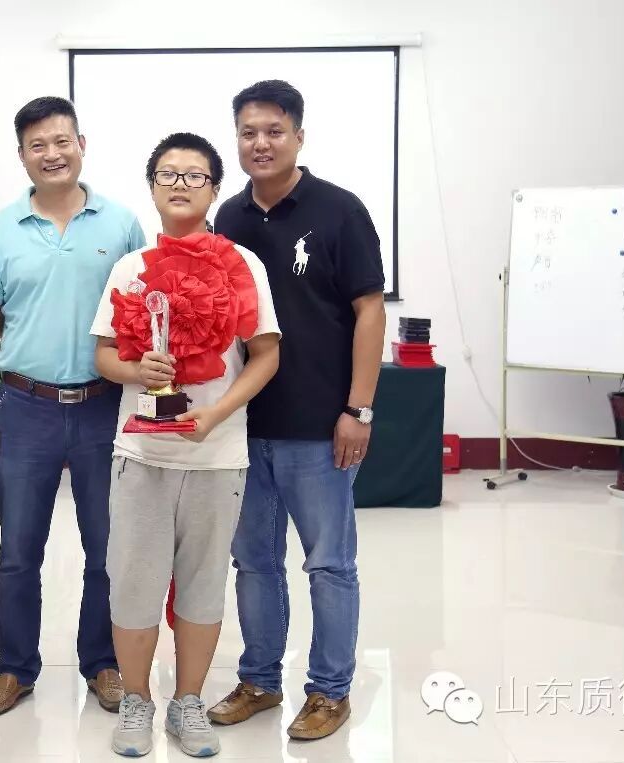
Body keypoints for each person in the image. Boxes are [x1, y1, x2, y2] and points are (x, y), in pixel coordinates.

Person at [207, 80, 387, 741]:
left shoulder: (339, 210)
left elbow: (370, 309)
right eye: (249, 132)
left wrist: (358, 409)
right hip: (244, 426)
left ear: (299, 136)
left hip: (320, 427)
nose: (261, 143)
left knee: (328, 565)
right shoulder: (228, 219)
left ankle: (329, 690)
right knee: (254, 563)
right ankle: (259, 679)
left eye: (274, 131)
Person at [91, 133, 280, 758]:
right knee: (134, 584)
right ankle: (137, 701)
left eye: (194, 175)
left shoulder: (242, 264)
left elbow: (266, 355)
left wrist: (217, 414)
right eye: (167, 174)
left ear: (215, 189)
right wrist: (135, 369)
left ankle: (188, 701)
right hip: (142, 455)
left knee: (202, 584)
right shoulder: (131, 267)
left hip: (216, 455)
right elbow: (103, 356)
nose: (179, 184)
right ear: (152, 187)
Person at [0, 96, 146, 718]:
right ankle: (15, 669)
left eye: (61, 141)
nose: (52, 154)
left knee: (107, 547)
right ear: (21, 155)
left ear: (81, 145)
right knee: (18, 551)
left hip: (104, 406)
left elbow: (141, 315)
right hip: (25, 405)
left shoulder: (121, 224)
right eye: (37, 145)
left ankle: (103, 662)